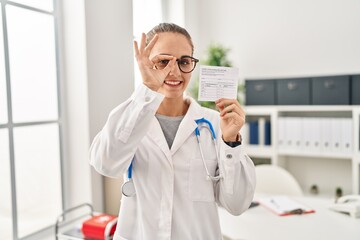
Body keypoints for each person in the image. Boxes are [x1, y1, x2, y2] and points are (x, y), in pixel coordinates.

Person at [89, 23, 255, 240]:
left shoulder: (215, 124)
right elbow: (106, 163)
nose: (174, 71)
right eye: (163, 61)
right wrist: (147, 90)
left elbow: (237, 204)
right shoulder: (131, 117)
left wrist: (231, 141)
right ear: (146, 64)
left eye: (184, 61)